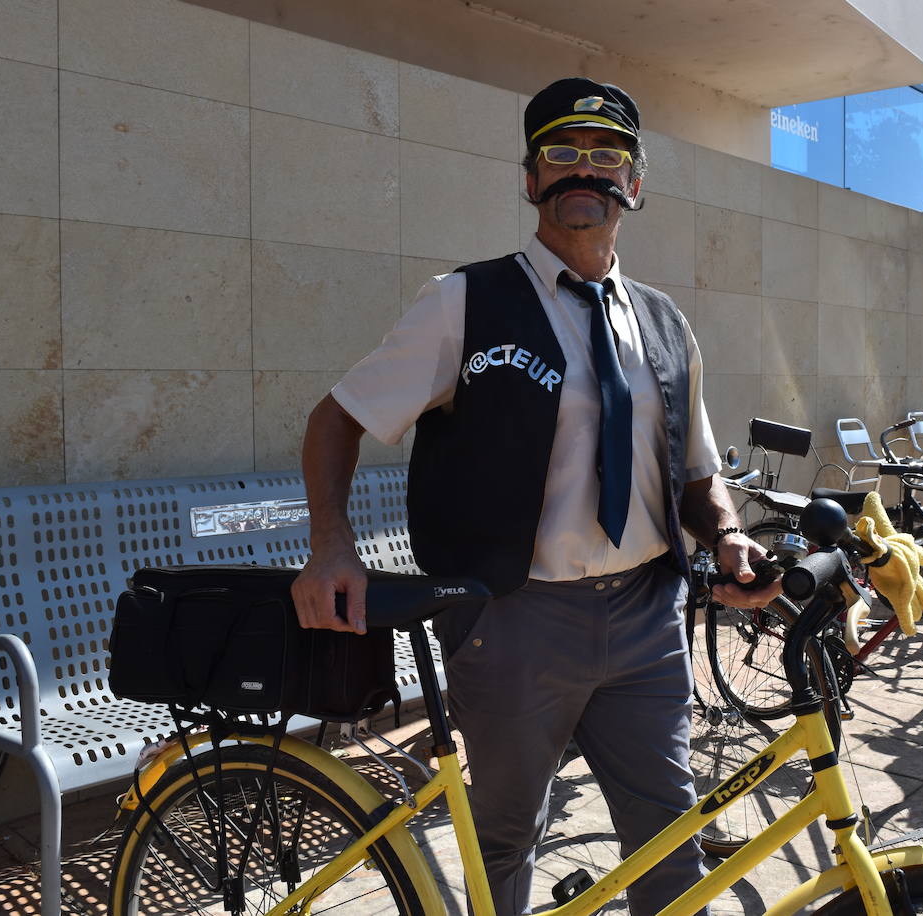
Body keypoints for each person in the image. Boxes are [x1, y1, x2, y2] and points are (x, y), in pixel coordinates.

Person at [290, 77, 780, 916]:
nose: (581, 171)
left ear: (636, 182)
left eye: (605, 156)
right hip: (515, 621)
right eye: (560, 154)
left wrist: (729, 537)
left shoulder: (666, 323)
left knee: (670, 846)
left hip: (646, 621)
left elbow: (693, 471)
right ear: (529, 178)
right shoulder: (463, 302)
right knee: (507, 837)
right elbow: (337, 419)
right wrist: (332, 545)